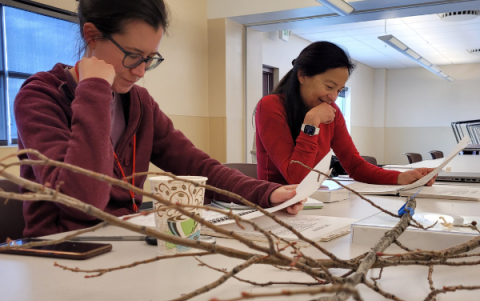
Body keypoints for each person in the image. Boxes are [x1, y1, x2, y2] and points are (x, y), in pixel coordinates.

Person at [14, 0, 303, 238]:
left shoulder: (139, 104)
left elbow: (197, 164)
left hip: (124, 242)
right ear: (92, 36)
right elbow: (83, 201)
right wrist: (94, 90)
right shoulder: (40, 97)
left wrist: (266, 193)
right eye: (133, 55)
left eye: (150, 58)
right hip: (62, 252)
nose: (140, 72)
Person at [255, 41, 436, 186]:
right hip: (276, 209)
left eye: (340, 90)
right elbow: (296, 179)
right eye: (329, 86)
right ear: (302, 76)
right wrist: (311, 124)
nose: (333, 97)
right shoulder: (271, 106)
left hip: (316, 205)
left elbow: (355, 166)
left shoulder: (332, 112)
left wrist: (400, 177)